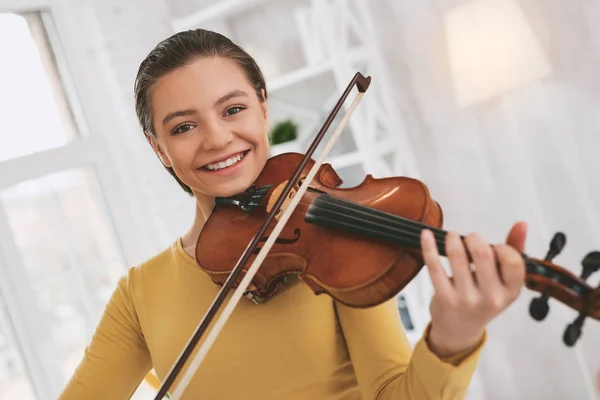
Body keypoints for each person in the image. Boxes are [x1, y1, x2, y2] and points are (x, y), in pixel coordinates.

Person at [58, 28, 527, 399]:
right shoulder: (141, 295)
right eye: (184, 126)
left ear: (263, 108)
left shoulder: (331, 244)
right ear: (158, 148)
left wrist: (451, 338)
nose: (218, 138)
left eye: (233, 109)